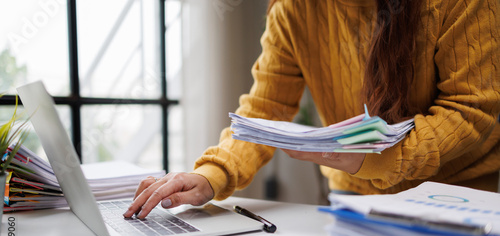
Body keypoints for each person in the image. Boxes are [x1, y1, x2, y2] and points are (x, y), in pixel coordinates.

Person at [124, 0, 500, 219]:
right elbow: (266, 108)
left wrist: (375, 157)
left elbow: (471, 108)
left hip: (459, 200)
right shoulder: (294, 9)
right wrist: (211, 174)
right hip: (354, 201)